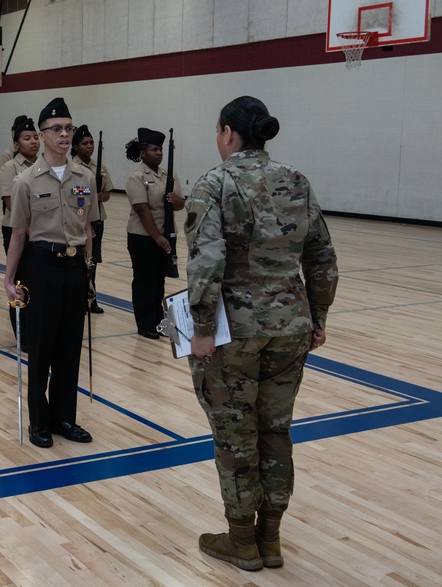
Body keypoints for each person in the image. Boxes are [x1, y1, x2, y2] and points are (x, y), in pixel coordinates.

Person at [183, 96, 338, 571]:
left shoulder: (214, 183)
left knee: (234, 434)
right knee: (275, 431)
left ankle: (242, 540)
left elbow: (206, 262)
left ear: (229, 132)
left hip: (235, 331)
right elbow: (322, 258)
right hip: (290, 327)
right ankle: (271, 538)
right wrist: (318, 318)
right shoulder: (296, 180)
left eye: (217, 130)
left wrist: (203, 329)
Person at [4, 97, 99, 448]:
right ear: (42, 135)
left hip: (74, 267)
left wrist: (88, 272)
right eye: (57, 129)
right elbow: (18, 234)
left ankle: (64, 418)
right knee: (41, 347)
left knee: (69, 347)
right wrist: (8, 279)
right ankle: (39, 422)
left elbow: (89, 229)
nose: (64, 134)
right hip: (42, 265)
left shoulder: (84, 177)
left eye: (69, 128)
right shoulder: (26, 181)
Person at [124, 128, 184, 339]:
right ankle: (145, 324)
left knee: (159, 281)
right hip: (143, 237)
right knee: (145, 281)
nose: (158, 153)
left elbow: (180, 204)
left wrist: (176, 201)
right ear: (143, 152)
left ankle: (158, 321)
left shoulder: (169, 175)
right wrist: (157, 237)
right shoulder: (137, 177)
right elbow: (142, 210)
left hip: (166, 235)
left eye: (160, 150)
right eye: (154, 149)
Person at [0, 116, 39, 348]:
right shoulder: (10, 168)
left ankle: (38, 331)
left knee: (38, 282)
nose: (32, 142)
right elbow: (10, 202)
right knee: (21, 282)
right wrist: (32, 230)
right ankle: (22, 335)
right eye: (26, 138)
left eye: (34, 137)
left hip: (40, 235)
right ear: (16, 144)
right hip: (17, 232)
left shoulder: (44, 166)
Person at [71, 125, 113, 313]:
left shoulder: (99, 166)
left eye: (91, 143)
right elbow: (75, 196)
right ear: (76, 147)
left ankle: (91, 298)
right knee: (82, 260)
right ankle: (79, 297)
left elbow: (107, 194)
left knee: (93, 260)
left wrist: (99, 197)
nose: (89, 146)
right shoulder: (72, 166)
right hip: (81, 219)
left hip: (98, 218)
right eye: (84, 143)